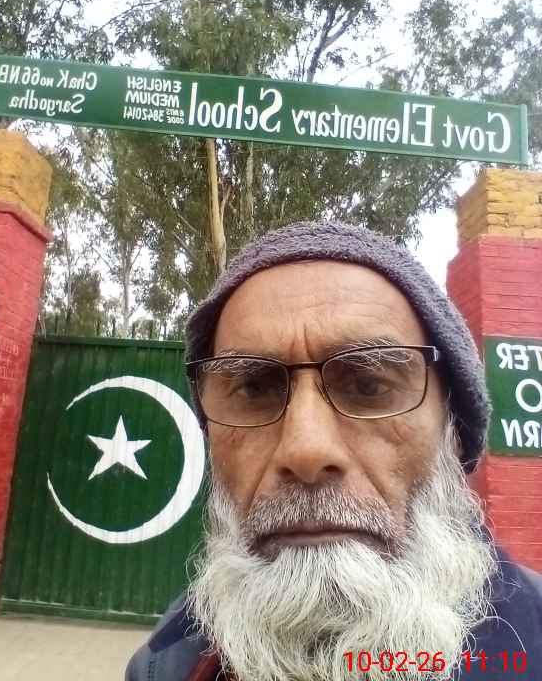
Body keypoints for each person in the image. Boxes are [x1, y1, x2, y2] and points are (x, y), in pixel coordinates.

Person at [126, 221, 542, 681]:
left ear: (453, 429)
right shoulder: (167, 661)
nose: (305, 450)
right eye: (254, 389)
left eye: (369, 385)